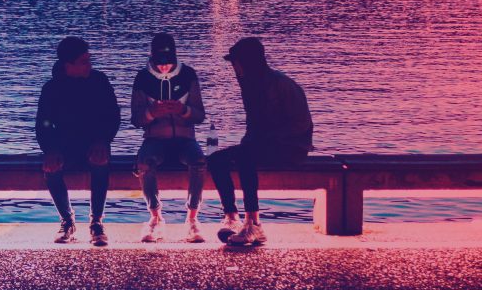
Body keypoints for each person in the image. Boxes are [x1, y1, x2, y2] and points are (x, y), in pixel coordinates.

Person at [208, 37, 313, 246]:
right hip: (264, 145)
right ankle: (232, 217)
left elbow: (301, 124)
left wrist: (267, 140)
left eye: (235, 62)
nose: (233, 67)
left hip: (291, 147)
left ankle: (254, 223)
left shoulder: (280, 85)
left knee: (247, 157)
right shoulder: (251, 83)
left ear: (247, 61)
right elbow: (254, 124)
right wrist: (251, 141)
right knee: (216, 160)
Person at [36, 36, 121, 246]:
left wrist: (103, 140)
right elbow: (43, 124)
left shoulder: (99, 81)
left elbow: (112, 116)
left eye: (89, 59)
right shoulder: (52, 88)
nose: (89, 65)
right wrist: (50, 150)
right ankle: (67, 220)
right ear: (69, 65)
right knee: (51, 168)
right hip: (64, 144)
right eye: (84, 61)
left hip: (94, 141)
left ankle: (96, 222)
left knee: (100, 162)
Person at [130, 33, 208, 242]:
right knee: (144, 163)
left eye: (169, 63)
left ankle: (192, 218)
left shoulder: (188, 75)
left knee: (199, 161)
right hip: (154, 139)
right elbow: (136, 119)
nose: (164, 67)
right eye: (160, 63)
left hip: (185, 139)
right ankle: (155, 218)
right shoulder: (142, 79)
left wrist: (183, 110)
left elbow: (200, 115)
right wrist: (152, 113)